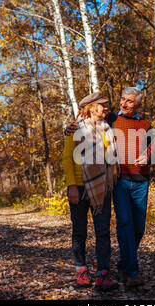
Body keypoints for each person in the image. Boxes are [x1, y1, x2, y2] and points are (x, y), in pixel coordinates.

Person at [65, 87, 154, 288]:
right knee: (114, 226)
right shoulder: (106, 121)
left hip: (125, 183)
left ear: (138, 104)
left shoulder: (138, 124)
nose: (122, 103)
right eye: (122, 99)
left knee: (127, 229)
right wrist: (68, 129)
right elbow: (69, 153)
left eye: (129, 101)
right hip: (104, 183)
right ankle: (123, 271)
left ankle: (116, 267)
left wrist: (148, 155)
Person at [62, 91, 119, 291]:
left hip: (101, 188)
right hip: (78, 186)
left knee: (103, 231)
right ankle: (81, 271)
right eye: (102, 105)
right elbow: (68, 159)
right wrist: (71, 186)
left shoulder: (107, 129)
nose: (106, 108)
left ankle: (103, 274)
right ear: (92, 107)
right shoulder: (74, 129)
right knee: (79, 232)